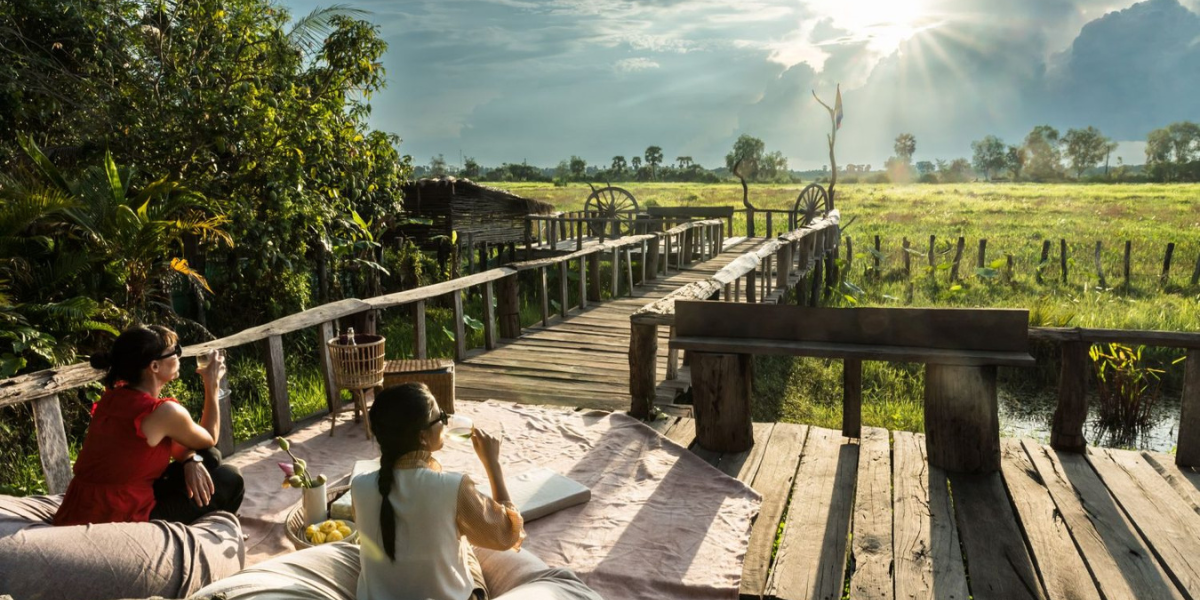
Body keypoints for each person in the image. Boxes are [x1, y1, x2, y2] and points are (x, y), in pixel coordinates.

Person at [54, 325, 244, 526]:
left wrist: (190, 460)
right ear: (154, 366)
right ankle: (206, 538)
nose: (179, 356)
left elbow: (184, 447)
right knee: (230, 478)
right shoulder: (164, 412)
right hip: (121, 516)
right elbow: (209, 437)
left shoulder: (113, 397)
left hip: (82, 507)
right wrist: (212, 385)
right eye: (175, 352)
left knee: (208, 458)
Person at [352, 383, 528, 600]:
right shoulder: (454, 487)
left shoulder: (358, 486)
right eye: (440, 418)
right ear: (422, 437)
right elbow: (507, 534)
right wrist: (493, 464)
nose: (446, 423)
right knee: (469, 547)